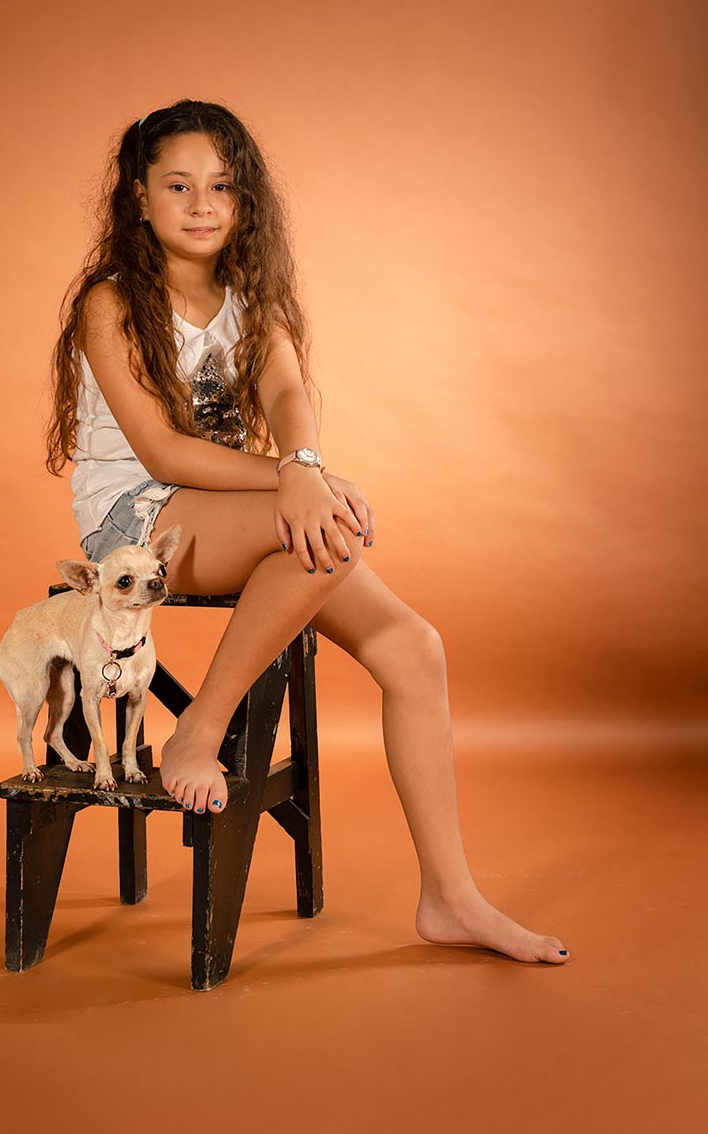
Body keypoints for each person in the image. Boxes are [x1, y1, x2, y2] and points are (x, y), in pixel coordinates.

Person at [46, 99, 570, 965]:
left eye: (221, 187)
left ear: (244, 202)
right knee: (318, 527)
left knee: (415, 647)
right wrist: (297, 478)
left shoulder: (251, 299)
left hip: (230, 506)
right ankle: (198, 729)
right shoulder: (111, 303)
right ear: (139, 197)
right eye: (178, 186)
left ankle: (451, 897)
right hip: (137, 516)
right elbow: (162, 448)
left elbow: (289, 395)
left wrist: (304, 459)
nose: (202, 204)